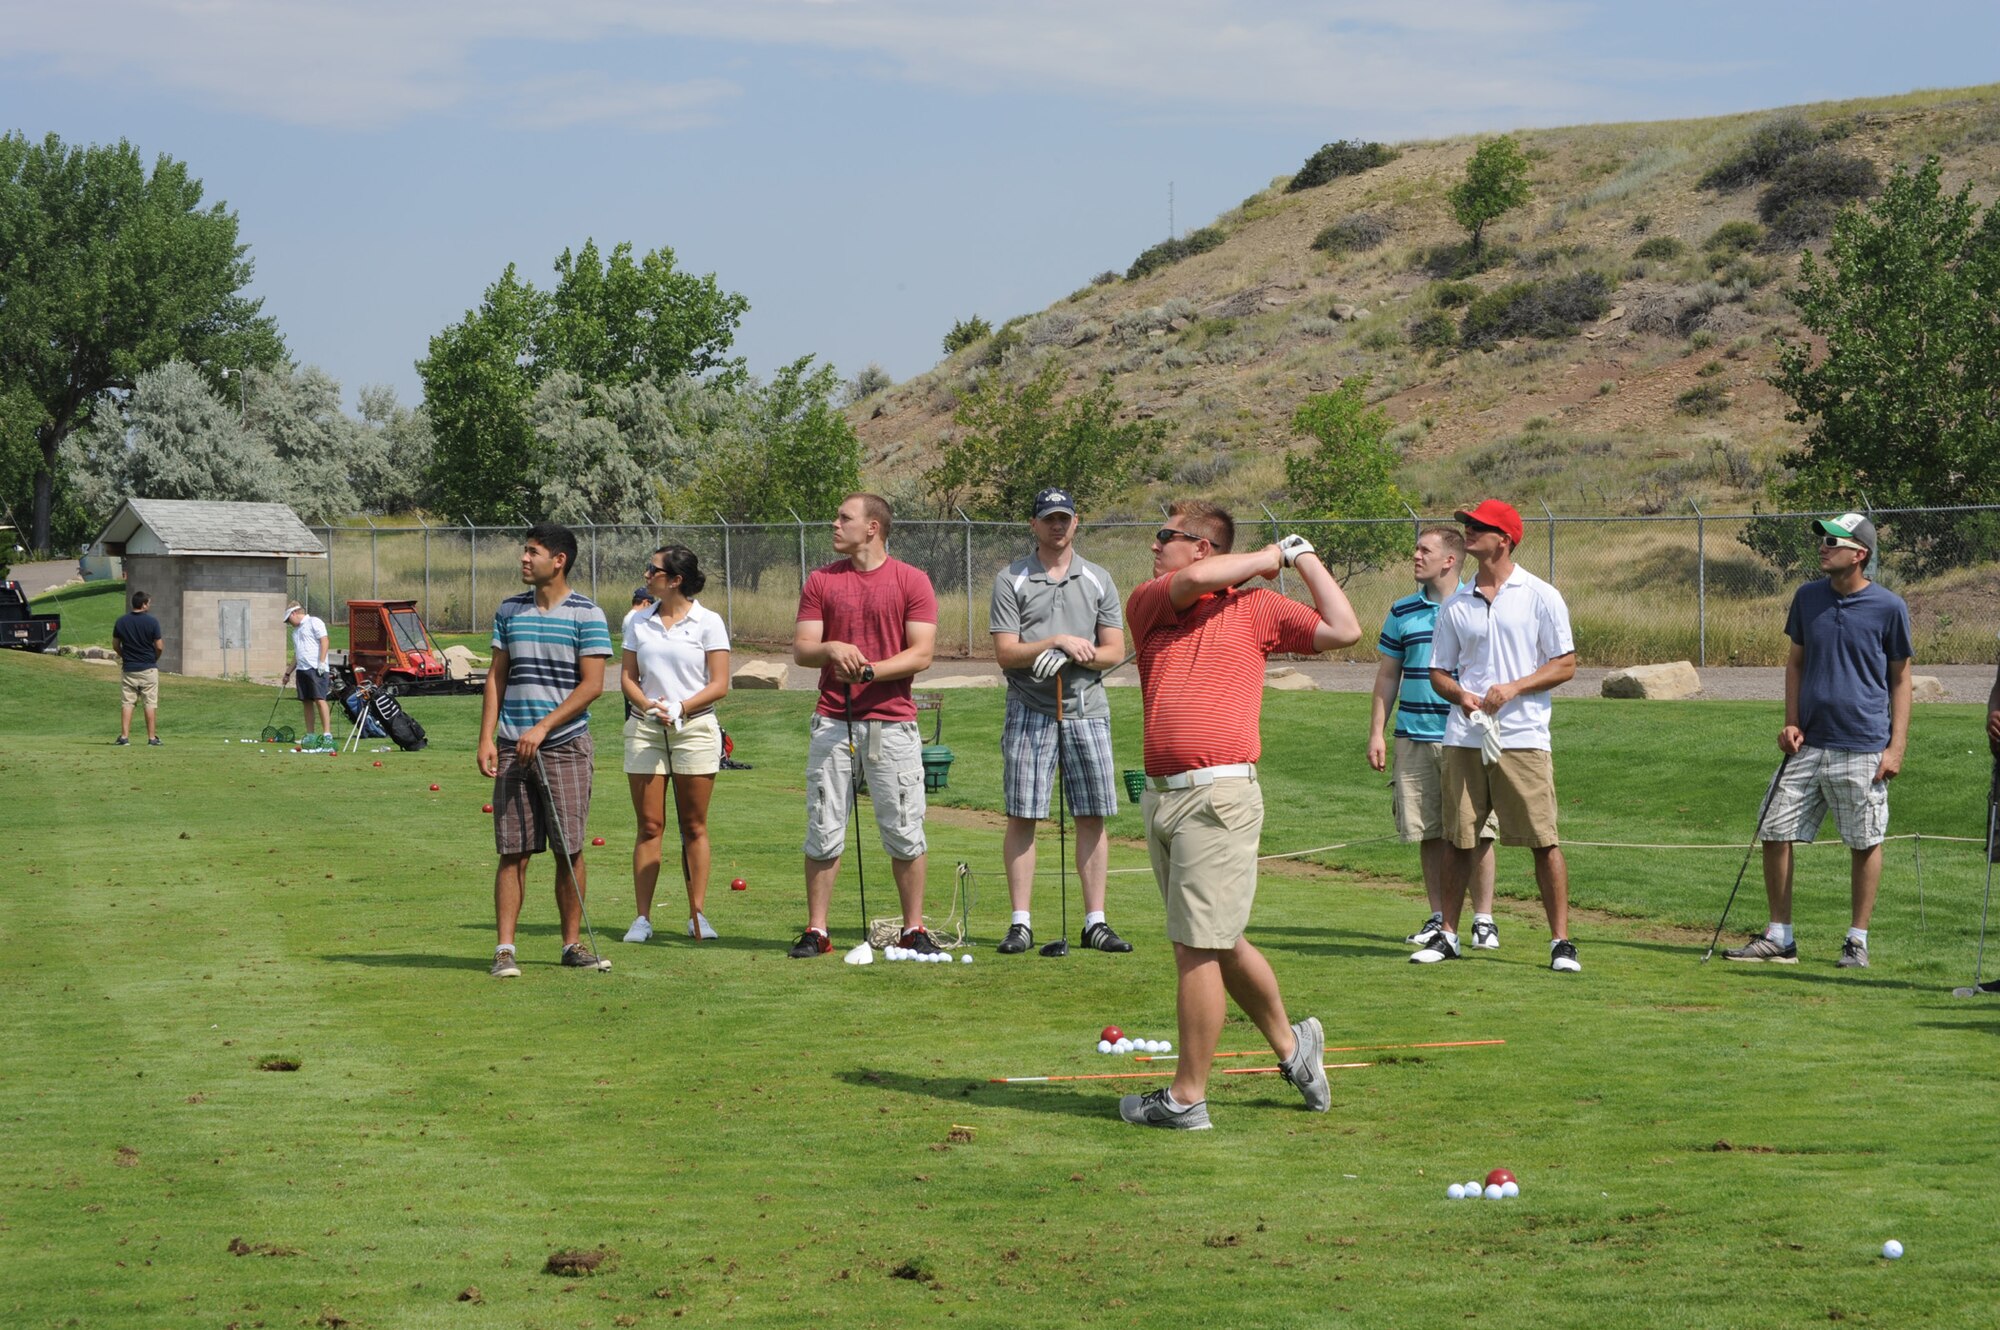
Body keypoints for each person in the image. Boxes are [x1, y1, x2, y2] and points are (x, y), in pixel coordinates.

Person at [1117, 501, 1361, 1130]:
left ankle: (1186, 1098)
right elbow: (1196, 583)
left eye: (1165, 536)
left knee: (1196, 945)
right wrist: (1271, 557)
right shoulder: (1151, 599)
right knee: (1215, 938)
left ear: (1201, 545)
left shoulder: (1256, 609)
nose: (1154, 545)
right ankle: (1293, 1046)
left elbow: (1344, 629)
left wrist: (1303, 558)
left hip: (1219, 796)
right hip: (1163, 795)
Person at [1725, 512, 1912, 969]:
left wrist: (1896, 747)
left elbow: (1901, 679)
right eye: (1823, 540)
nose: (1823, 546)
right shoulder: (1807, 598)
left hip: (1864, 743)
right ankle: (1780, 937)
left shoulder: (1889, 607)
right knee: (1773, 826)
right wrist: (1790, 722)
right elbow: (1795, 664)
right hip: (1807, 745)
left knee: (1864, 841)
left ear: (1860, 554)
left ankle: (1856, 941)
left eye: (1833, 540)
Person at [1423, 499, 1581, 972]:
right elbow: (1438, 673)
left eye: (1478, 526)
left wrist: (1514, 687)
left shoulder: (1541, 595)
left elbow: (1566, 664)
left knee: (1542, 840)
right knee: (1459, 839)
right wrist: (1461, 697)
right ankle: (1448, 935)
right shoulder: (1456, 603)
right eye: (1467, 525)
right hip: (1464, 736)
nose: (1468, 531)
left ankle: (1560, 944)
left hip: (1524, 736)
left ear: (1505, 539)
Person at [789, 493, 940, 958]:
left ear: (872, 527)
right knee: (823, 825)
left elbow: (922, 653)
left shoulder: (912, 580)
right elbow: (802, 649)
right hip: (833, 720)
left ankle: (913, 928)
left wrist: (870, 670)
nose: (834, 524)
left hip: (893, 724)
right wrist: (833, 648)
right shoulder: (821, 580)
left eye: (844, 518)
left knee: (904, 828)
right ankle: (817, 931)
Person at [989, 486, 1131, 955]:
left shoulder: (1098, 579)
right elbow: (1007, 653)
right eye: (1048, 518)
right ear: (1033, 525)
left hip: (1087, 709)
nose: (1057, 526)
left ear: (1076, 523)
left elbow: (1113, 649)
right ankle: (1021, 923)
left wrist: (1076, 653)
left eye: (1064, 518)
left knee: (1091, 814)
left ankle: (1096, 922)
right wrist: (1054, 642)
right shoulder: (1010, 579)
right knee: (1024, 814)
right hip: (1030, 707)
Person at [476, 523, 614, 978]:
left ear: (559, 560)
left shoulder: (587, 614)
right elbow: (497, 676)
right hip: (513, 746)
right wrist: (487, 737)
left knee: (568, 850)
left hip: (565, 746)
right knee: (512, 850)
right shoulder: (509, 610)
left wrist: (542, 727)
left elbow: (592, 685)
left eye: (532, 552)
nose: (523, 559)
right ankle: (504, 950)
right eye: (524, 551)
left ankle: (571, 945)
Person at [1366, 527, 1500, 953]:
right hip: (1413, 737)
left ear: (1449, 560)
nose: (1415, 556)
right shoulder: (1402, 610)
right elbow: (1388, 675)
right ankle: (1441, 919)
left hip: (1464, 737)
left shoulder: (1477, 605)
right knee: (1428, 830)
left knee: (1476, 831)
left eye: (1425, 550)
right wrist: (1377, 732)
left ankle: (1483, 920)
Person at [619, 546, 731, 944]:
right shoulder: (639, 621)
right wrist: (648, 705)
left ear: (676, 580)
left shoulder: (708, 622)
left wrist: (681, 707)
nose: (647, 574)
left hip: (696, 729)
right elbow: (628, 678)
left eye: (654, 569)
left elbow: (720, 684)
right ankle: (642, 918)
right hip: (646, 728)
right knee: (650, 826)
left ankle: (697, 915)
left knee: (693, 826)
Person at [112, 590, 164, 746]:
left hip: (129, 668)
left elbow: (115, 645)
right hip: (148, 668)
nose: (150, 605)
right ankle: (152, 738)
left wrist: (124, 656)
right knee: (149, 703)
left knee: (128, 702)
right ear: (144, 604)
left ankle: (124, 737)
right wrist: (154, 658)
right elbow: (160, 646)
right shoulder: (152, 622)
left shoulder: (121, 621)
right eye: (149, 602)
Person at [283, 603, 332, 745]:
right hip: (302, 669)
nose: (288, 623)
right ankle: (310, 734)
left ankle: (327, 734)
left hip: (317, 668)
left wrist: (322, 662)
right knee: (306, 701)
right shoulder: (296, 631)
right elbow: (298, 655)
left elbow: (324, 641)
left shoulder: (314, 622)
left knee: (319, 699)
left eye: (288, 620)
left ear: (293, 614)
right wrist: (288, 673)